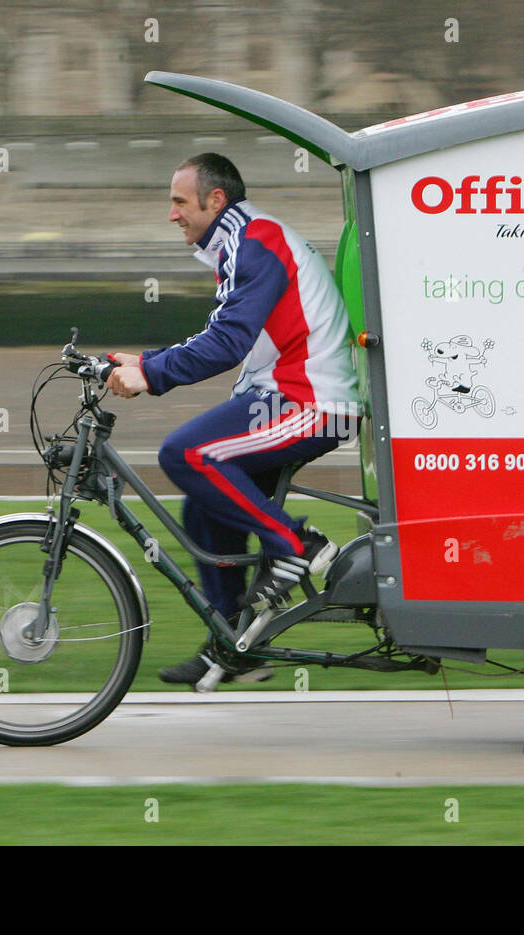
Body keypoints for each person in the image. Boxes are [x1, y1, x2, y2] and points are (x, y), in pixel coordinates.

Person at [105, 153, 360, 686]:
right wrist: (146, 361)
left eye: (179, 202)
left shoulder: (255, 239)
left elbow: (228, 342)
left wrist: (153, 377)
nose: (172, 215)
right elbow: (221, 330)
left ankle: (296, 544)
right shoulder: (241, 242)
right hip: (284, 395)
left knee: (187, 454)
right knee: (203, 509)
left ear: (214, 200)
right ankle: (232, 645)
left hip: (313, 403)